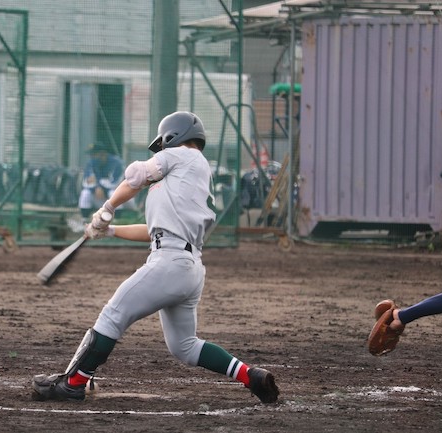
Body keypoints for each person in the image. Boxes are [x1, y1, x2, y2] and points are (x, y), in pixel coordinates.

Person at [32, 111, 280, 404]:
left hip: (170, 263)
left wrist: (107, 207)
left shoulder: (182, 155)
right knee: (184, 346)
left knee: (113, 316)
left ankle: (72, 384)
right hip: (186, 268)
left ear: (173, 136)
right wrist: (109, 230)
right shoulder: (191, 176)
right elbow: (154, 231)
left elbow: (135, 175)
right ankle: (251, 376)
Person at [78, 142, 125, 218]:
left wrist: (98, 185)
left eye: (94, 154)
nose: (92, 157)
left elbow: (115, 183)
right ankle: (85, 220)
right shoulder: (91, 163)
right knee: (85, 193)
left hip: (121, 200)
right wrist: (97, 187)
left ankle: (117, 220)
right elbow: (86, 182)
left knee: (113, 193)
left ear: (103, 154)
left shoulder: (117, 163)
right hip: (99, 197)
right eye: (91, 155)